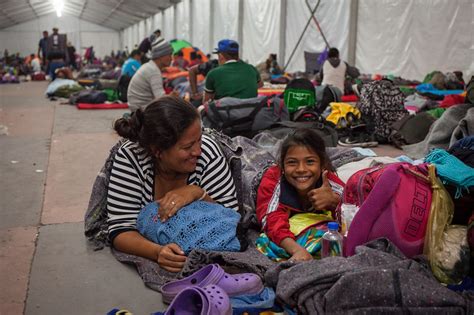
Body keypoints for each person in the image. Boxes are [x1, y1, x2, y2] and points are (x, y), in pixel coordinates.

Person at [107, 95, 239, 272]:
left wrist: (197, 193)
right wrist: (157, 252)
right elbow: (120, 229)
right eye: (187, 147)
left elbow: (231, 219)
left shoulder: (208, 154)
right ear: (158, 151)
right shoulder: (131, 158)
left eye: (199, 139)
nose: (197, 151)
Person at [256, 129, 344, 262]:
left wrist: (334, 201)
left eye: (310, 162)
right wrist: (297, 250)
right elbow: (270, 220)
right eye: (292, 162)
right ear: (283, 167)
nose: (301, 169)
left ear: (322, 165)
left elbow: (354, 209)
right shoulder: (274, 179)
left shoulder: (329, 181)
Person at [127, 36, 173, 111]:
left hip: (136, 107)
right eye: (169, 55)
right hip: (141, 110)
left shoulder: (149, 66)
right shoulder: (154, 71)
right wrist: (172, 97)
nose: (171, 58)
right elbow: (161, 99)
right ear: (160, 56)